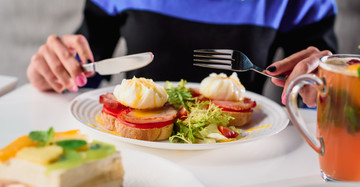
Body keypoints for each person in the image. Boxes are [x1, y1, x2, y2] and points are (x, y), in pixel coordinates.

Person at [27, 0, 338, 107]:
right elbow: (86, 72)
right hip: (135, 149)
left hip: (241, 156)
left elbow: (322, 98)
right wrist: (57, 71)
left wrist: (327, 87)